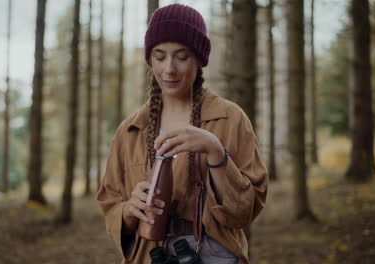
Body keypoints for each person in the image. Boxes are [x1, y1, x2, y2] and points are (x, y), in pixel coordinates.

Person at [96, 3, 268, 264]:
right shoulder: (130, 130)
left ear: (199, 58)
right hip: (148, 256)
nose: (169, 69)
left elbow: (246, 210)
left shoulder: (230, 119)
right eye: (159, 56)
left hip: (212, 255)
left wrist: (215, 151)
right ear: (149, 58)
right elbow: (110, 204)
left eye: (181, 56)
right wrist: (129, 210)